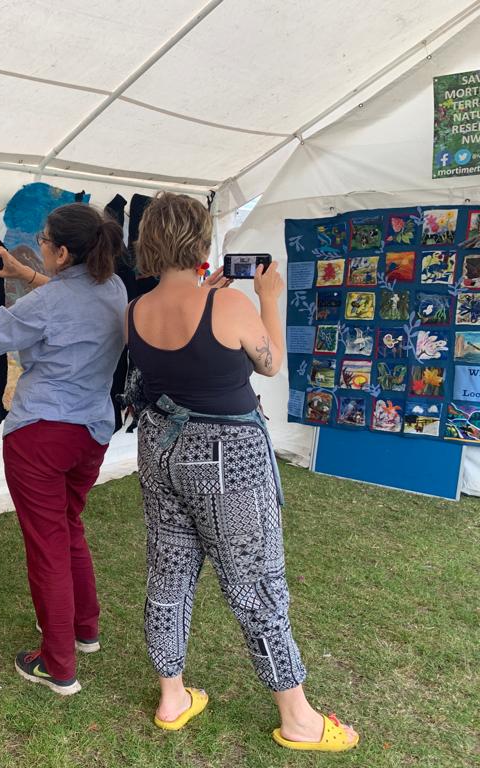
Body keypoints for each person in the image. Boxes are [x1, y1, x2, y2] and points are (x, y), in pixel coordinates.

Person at [127, 192, 358, 751]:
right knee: (256, 583)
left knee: (169, 572)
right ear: (201, 241)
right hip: (227, 456)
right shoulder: (227, 304)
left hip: (160, 448)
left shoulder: (136, 308)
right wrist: (268, 298)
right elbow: (270, 362)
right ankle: (298, 718)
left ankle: (172, 696)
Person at [0, 203, 127, 696]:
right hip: (91, 432)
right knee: (68, 527)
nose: (40, 246)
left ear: (63, 252)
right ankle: (84, 629)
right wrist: (26, 273)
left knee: (47, 542)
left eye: (45, 242)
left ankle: (58, 663)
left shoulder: (48, 303)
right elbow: (72, 299)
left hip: (42, 436)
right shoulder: (113, 287)